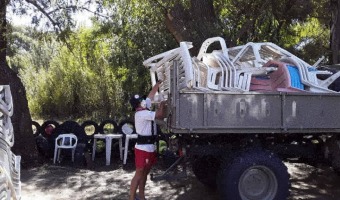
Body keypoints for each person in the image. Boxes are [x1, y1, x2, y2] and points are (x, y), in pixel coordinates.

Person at [129, 81, 166, 200]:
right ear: (138, 105)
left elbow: (150, 95)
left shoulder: (145, 108)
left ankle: (141, 196)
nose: (144, 101)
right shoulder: (142, 113)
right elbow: (160, 115)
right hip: (143, 148)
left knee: (145, 173)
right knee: (139, 172)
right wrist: (163, 103)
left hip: (149, 147)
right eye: (141, 100)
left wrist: (158, 84)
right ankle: (132, 197)